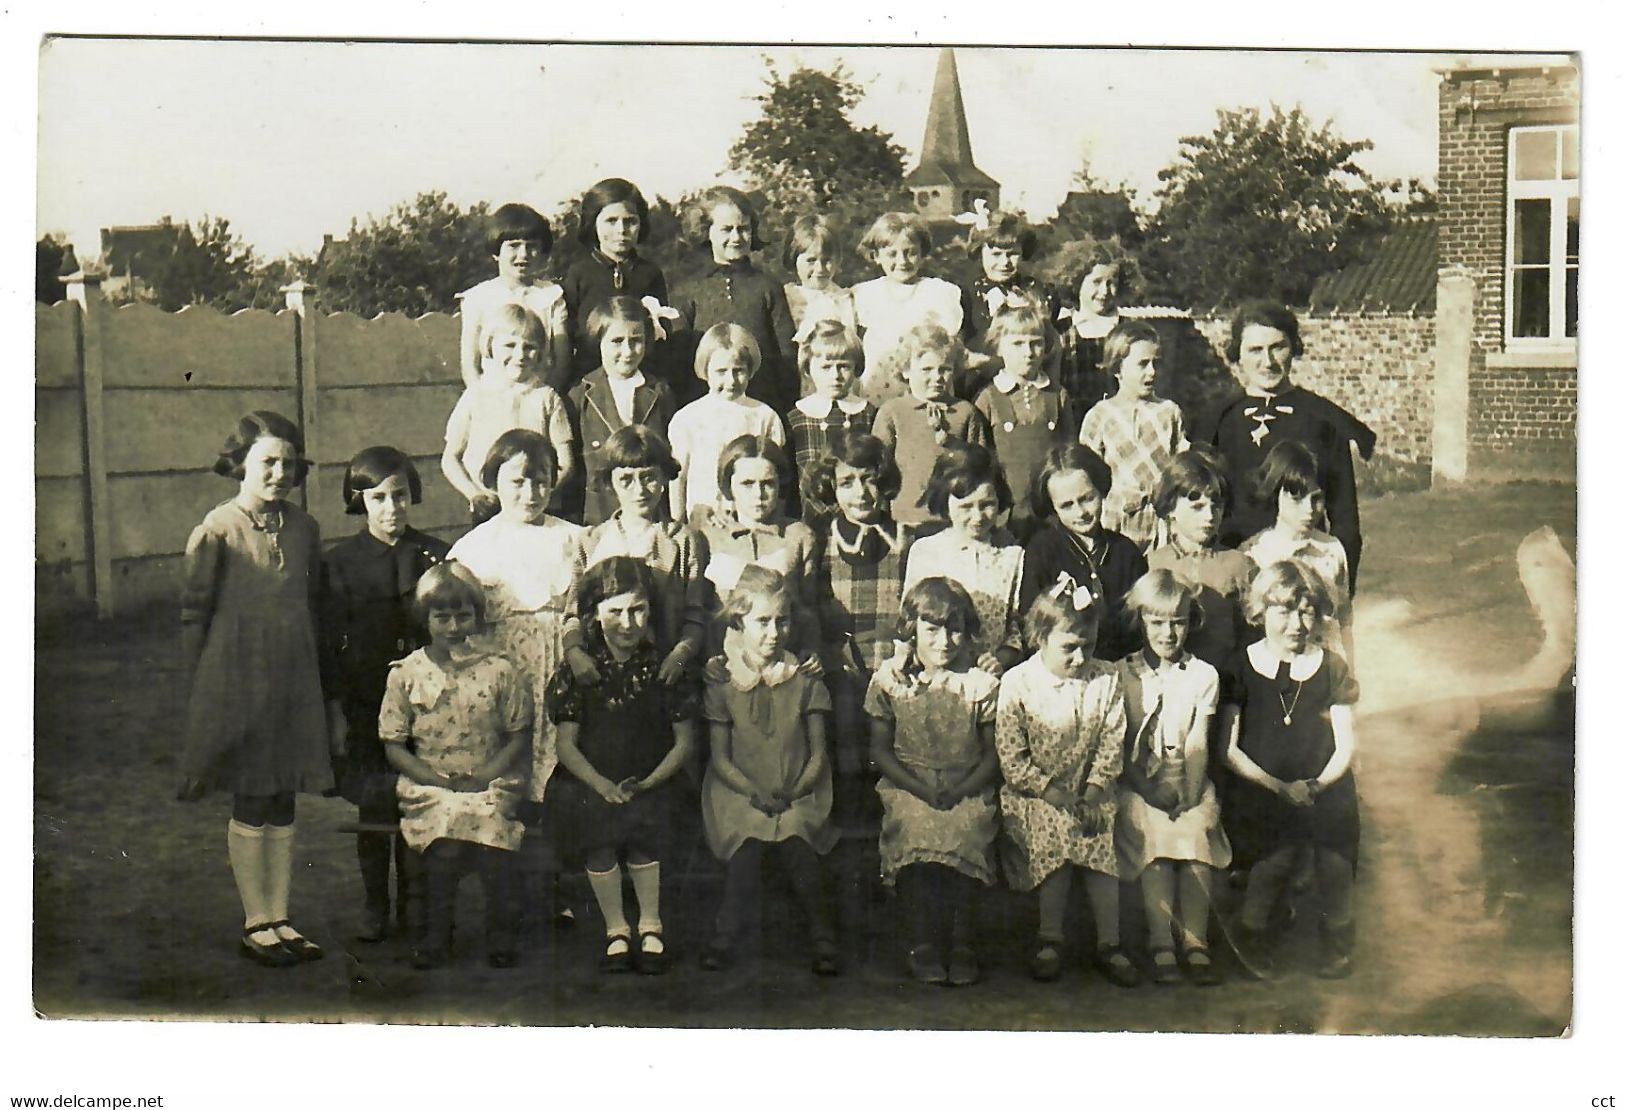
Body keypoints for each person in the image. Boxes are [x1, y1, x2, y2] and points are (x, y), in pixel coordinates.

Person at [177, 411, 334, 967]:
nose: (280, 473)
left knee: (284, 792)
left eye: (289, 463)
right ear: (240, 463)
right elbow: (195, 613)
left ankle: (282, 916)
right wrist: (202, 688)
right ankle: (255, 921)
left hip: (292, 677)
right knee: (252, 790)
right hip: (237, 679)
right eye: (268, 461)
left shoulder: (304, 527)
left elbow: (313, 603)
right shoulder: (218, 528)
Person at [319, 446, 449, 943]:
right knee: (375, 803)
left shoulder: (434, 554)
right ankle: (376, 904)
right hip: (367, 702)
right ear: (360, 502)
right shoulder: (340, 564)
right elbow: (329, 646)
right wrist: (336, 714)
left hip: (428, 703)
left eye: (399, 496)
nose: (391, 508)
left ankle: (418, 904)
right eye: (378, 498)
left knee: (420, 799)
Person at [546, 557, 699, 974]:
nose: (628, 623)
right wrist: (601, 785)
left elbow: (684, 743)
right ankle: (616, 928)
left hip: (653, 775)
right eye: (615, 611)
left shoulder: (665, 667)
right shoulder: (579, 670)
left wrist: (648, 782)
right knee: (597, 828)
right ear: (595, 614)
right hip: (590, 778)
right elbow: (566, 746)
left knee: (646, 825)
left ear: (650, 610)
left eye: (638, 610)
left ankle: (651, 924)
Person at [379, 563, 531, 970]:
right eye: (441, 617)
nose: (452, 626)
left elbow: (519, 734)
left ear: (477, 617)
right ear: (425, 618)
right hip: (430, 785)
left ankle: (501, 934)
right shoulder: (407, 673)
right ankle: (436, 935)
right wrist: (433, 779)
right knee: (443, 844)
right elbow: (393, 743)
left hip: (490, 778)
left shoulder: (499, 669)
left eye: (462, 615)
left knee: (494, 841)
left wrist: (485, 776)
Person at [1221, 560, 1361, 980]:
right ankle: (1253, 932)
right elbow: (1227, 750)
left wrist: (1317, 785)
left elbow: (1345, 744)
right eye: (1283, 611)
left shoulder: (1331, 667)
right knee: (1273, 860)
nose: (1296, 623)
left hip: (1324, 785)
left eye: (1306, 611)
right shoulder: (1240, 666)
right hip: (1261, 786)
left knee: (1334, 860)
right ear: (1260, 612)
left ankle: (1336, 933)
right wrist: (1279, 787)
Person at [997, 575, 1138, 987]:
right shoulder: (1018, 683)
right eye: (1068, 648)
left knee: (1098, 828)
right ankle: (1050, 938)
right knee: (1058, 829)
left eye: (1088, 647)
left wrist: (1094, 792)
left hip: (1091, 790)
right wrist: (1054, 793)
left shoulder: (1105, 679)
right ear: (1040, 638)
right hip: (1035, 794)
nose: (1080, 658)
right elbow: (1012, 758)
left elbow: (1113, 740)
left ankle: (1110, 943)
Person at [700, 566, 840, 975]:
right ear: (739, 621)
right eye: (762, 622)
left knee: (798, 844)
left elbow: (817, 755)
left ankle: (822, 936)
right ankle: (725, 934)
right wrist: (754, 794)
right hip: (738, 792)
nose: (774, 633)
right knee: (748, 849)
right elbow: (721, 759)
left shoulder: (806, 679)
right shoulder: (724, 681)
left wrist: (796, 792)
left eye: (783, 621)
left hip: (800, 788)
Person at [866, 577, 1000, 986]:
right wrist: (920, 789)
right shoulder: (892, 679)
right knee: (914, 830)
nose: (945, 641)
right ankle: (921, 942)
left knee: (966, 828)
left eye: (955, 629)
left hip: (967, 782)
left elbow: (993, 754)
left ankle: (962, 942)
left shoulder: (980, 684)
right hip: (909, 784)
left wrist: (961, 789)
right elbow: (881, 751)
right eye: (932, 630)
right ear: (911, 631)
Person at [448, 430, 585, 806]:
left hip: (562, 668)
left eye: (540, 482)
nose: (530, 494)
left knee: (560, 763)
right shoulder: (475, 547)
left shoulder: (574, 539)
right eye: (517, 482)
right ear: (493, 480)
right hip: (504, 670)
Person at [1205, 300, 1376, 592]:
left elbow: (1345, 517)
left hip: (1304, 573)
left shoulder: (1322, 419)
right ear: (1238, 354)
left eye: (1278, 347)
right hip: (1233, 573)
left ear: (1294, 348)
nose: (1268, 361)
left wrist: (1341, 592)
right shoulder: (1217, 420)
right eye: (1255, 350)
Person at [1115, 570, 1230, 987]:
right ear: (1141, 621)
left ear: (1191, 622)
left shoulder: (1203, 676)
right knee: (1155, 837)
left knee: (1197, 830)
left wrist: (1189, 793)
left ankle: (1195, 941)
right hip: (1138, 783)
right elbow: (1117, 745)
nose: (1168, 633)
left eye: (1177, 622)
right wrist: (1149, 789)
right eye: (1157, 622)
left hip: (1187, 779)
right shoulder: (1121, 674)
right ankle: (1161, 942)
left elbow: (1198, 740)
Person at [805, 433, 912, 816]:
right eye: (847, 483)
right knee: (846, 752)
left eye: (868, 479)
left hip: (895, 664)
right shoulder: (818, 539)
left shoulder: (907, 539)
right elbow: (810, 606)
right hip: (840, 666)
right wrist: (828, 656)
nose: (861, 493)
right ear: (831, 487)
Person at [567, 426, 709, 690]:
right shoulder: (591, 541)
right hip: (599, 674)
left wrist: (680, 656)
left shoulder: (683, 541)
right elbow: (573, 611)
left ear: (665, 478)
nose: (639, 490)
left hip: (664, 672)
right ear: (610, 482)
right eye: (626, 480)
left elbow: (695, 615)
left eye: (649, 477)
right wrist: (574, 652)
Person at [442, 302, 577, 523]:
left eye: (529, 346)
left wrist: (540, 495)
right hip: (490, 507)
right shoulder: (476, 396)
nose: (520, 354)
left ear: (541, 351)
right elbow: (450, 458)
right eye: (510, 345)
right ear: (490, 346)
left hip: (538, 508)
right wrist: (474, 494)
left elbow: (566, 462)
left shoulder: (547, 398)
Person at [901, 443, 1024, 674]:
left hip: (989, 680)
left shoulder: (1012, 556)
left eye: (987, 505)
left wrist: (1001, 659)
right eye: (966, 507)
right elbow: (909, 621)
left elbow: (1016, 628)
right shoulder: (925, 551)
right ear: (945, 504)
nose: (977, 517)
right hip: (935, 676)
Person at [670, 186, 796, 411]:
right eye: (726, 229)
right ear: (706, 231)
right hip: (705, 409)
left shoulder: (767, 287)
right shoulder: (688, 290)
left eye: (744, 228)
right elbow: (677, 363)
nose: (736, 237)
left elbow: (786, 358)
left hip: (760, 406)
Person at [1020, 443, 1148, 663]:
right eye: (1067, 505)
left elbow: (1140, 625)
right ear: (1052, 506)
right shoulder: (1042, 550)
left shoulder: (1125, 552)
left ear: (1100, 489)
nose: (1081, 512)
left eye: (1087, 498)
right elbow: (1031, 624)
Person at [695, 435, 820, 659]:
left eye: (768, 483)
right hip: (725, 671)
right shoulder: (709, 536)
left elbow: (808, 609)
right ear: (728, 486)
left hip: (785, 666)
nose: (758, 495)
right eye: (747, 484)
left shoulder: (798, 536)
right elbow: (699, 611)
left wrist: (809, 651)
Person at [1239, 440, 1354, 665]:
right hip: (1277, 671)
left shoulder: (1331, 550)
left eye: (1316, 498)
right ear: (1275, 494)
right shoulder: (1255, 553)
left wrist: (1349, 670)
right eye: (1297, 498)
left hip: (1327, 667)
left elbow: (1344, 621)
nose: (1309, 509)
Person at [1078, 320, 1189, 551]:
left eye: (1156, 363)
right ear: (1118, 367)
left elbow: (1181, 469)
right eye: (1142, 364)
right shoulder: (1100, 415)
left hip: (1160, 523)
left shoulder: (1168, 411)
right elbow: (1085, 476)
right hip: (1114, 521)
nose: (1152, 372)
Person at [566, 296, 677, 525]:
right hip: (600, 518)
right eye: (617, 341)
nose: (628, 351)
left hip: (652, 517)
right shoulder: (581, 395)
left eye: (636, 341)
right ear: (598, 342)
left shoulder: (660, 392)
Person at [971, 300, 1075, 540]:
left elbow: (1069, 453)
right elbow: (980, 459)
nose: (1028, 352)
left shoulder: (1057, 395)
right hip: (1005, 512)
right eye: (1017, 344)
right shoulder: (988, 397)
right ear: (998, 347)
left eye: (1035, 343)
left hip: (1051, 511)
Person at [871, 324, 992, 529]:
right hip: (905, 519)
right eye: (927, 369)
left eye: (945, 369)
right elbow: (878, 468)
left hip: (955, 521)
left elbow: (980, 465)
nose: (937, 377)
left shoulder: (965, 412)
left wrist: (951, 443)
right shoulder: (892, 412)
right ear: (906, 371)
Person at [1144, 447, 1254, 671]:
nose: (1209, 516)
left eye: (1216, 506)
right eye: (1197, 507)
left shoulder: (1239, 565)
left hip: (1226, 681)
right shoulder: (1152, 564)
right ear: (1171, 508)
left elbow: (1253, 636)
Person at [666, 323, 786, 524]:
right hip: (704, 520)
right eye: (721, 371)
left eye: (738, 371)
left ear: (750, 370)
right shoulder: (688, 418)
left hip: (754, 520)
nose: (731, 381)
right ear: (706, 370)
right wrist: (678, 524)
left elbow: (778, 475)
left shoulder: (764, 416)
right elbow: (678, 478)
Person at [560, 178, 671, 388]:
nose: (621, 230)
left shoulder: (650, 273)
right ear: (593, 223)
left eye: (630, 221)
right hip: (590, 381)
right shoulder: (579, 274)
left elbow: (660, 333)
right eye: (611, 221)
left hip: (643, 378)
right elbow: (568, 337)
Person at [851, 212, 964, 404]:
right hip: (877, 392)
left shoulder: (938, 292)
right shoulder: (864, 295)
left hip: (929, 392)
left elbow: (953, 348)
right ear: (876, 256)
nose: (902, 261)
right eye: (892, 254)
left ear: (922, 253)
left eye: (910, 252)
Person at [458, 202, 570, 391]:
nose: (523, 254)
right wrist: (484, 399)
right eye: (514, 246)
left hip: (540, 394)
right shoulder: (478, 298)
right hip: (492, 396)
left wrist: (545, 397)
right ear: (496, 252)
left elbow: (562, 360)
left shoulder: (551, 295)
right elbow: (470, 364)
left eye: (532, 246)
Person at [957, 206, 1058, 392]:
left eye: (1012, 254)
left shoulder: (1038, 291)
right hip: (979, 387)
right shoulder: (965, 295)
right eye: (995, 254)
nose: (1004, 263)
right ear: (980, 253)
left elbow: (1051, 345)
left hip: (1028, 385)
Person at [785, 320, 874, 522]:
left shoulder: (867, 412)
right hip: (811, 516)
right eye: (826, 367)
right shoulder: (797, 417)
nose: (836, 376)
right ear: (808, 369)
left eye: (843, 367)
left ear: (856, 368)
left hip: (858, 513)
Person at [1055, 248, 1127, 414]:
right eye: (1096, 282)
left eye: (1111, 283)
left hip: (1118, 420)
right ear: (1076, 282)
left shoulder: (1126, 330)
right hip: (1072, 419)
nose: (1105, 291)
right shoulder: (1060, 331)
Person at [782, 213, 858, 337]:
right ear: (793, 259)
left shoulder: (845, 300)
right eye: (811, 260)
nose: (820, 269)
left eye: (827, 260)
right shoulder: (786, 299)